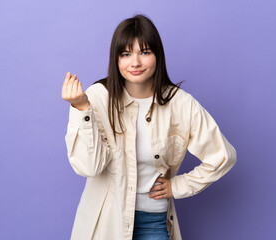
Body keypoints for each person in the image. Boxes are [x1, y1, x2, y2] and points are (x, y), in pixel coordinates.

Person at [62, 14, 237, 240]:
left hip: (153, 221)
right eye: (126, 54)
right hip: (105, 223)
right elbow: (89, 168)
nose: (135, 62)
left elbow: (223, 156)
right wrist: (81, 108)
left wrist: (178, 185)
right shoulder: (96, 97)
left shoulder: (179, 103)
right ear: (116, 60)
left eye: (144, 52)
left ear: (158, 55)